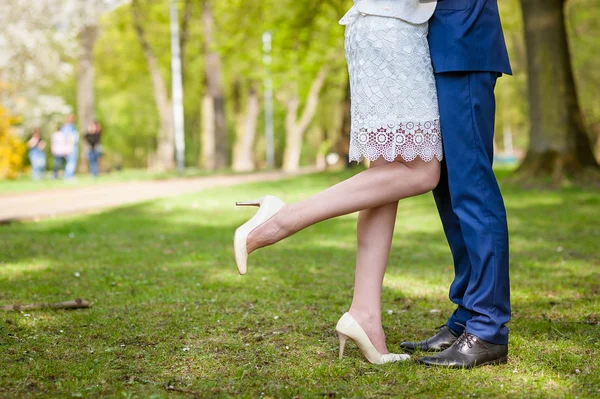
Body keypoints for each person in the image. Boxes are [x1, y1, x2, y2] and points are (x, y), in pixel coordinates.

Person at [234, 0, 442, 365]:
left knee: (385, 180)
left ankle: (365, 315)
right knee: (421, 172)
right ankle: (283, 217)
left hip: (374, 27)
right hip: (394, 31)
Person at [399, 0, 512, 369]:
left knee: (472, 186)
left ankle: (489, 327)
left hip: (464, 40)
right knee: (447, 189)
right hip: (438, 45)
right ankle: (466, 315)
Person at [61, 114, 79, 180]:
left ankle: (70, 175)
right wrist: (67, 148)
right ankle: (68, 176)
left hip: (72, 146)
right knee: (71, 162)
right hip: (70, 147)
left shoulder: (72, 127)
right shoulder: (67, 127)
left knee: (72, 162)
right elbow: (66, 138)